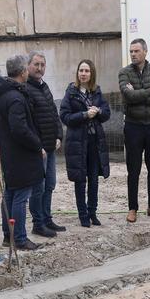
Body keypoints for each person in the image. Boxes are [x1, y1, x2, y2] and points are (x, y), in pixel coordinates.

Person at [0, 55, 46, 251]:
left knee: (11, 194)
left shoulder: (1, 93)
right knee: (20, 196)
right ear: (23, 72)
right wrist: (37, 145)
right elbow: (19, 129)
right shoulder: (15, 97)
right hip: (20, 156)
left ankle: (8, 236)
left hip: (9, 154)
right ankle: (20, 239)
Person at [117, 39, 150, 223]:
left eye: (137, 51)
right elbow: (128, 95)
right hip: (133, 126)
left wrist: (140, 93)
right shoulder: (124, 72)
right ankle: (132, 208)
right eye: (131, 51)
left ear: (145, 52)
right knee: (134, 169)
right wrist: (149, 91)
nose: (133, 54)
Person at [59, 59, 110, 227]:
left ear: (92, 73)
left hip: (94, 142)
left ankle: (92, 213)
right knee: (80, 180)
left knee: (94, 180)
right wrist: (84, 115)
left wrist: (99, 111)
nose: (83, 73)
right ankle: (83, 215)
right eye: (81, 70)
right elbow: (65, 116)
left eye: (87, 71)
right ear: (77, 73)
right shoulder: (71, 92)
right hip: (77, 143)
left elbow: (107, 113)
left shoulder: (96, 91)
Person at [24, 52, 65, 238]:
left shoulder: (44, 87)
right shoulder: (26, 90)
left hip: (50, 147)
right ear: (28, 66)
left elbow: (54, 114)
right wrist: (37, 146)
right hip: (38, 151)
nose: (39, 68)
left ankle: (47, 219)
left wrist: (59, 135)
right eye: (36, 64)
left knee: (50, 185)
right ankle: (38, 224)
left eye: (42, 64)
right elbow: (29, 123)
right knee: (38, 189)